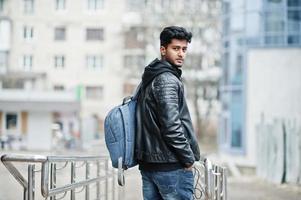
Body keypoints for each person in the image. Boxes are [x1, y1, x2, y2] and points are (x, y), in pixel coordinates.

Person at [135, 26, 201, 200]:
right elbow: (172, 126)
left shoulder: (151, 77)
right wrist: (188, 159)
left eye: (184, 49)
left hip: (150, 166)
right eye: (176, 48)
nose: (181, 54)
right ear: (163, 49)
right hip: (170, 166)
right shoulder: (167, 80)